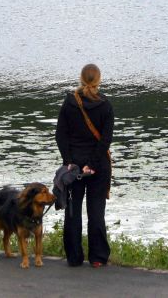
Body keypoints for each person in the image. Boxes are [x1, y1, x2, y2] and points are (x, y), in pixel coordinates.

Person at [55, 64, 113, 268]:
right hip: (98, 167)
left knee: (73, 211)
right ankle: (97, 257)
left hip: (74, 168)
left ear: (80, 78)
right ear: (99, 80)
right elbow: (105, 140)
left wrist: (69, 161)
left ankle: (74, 257)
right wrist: (92, 164)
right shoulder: (105, 105)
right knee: (96, 212)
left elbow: (60, 135)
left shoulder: (70, 102)